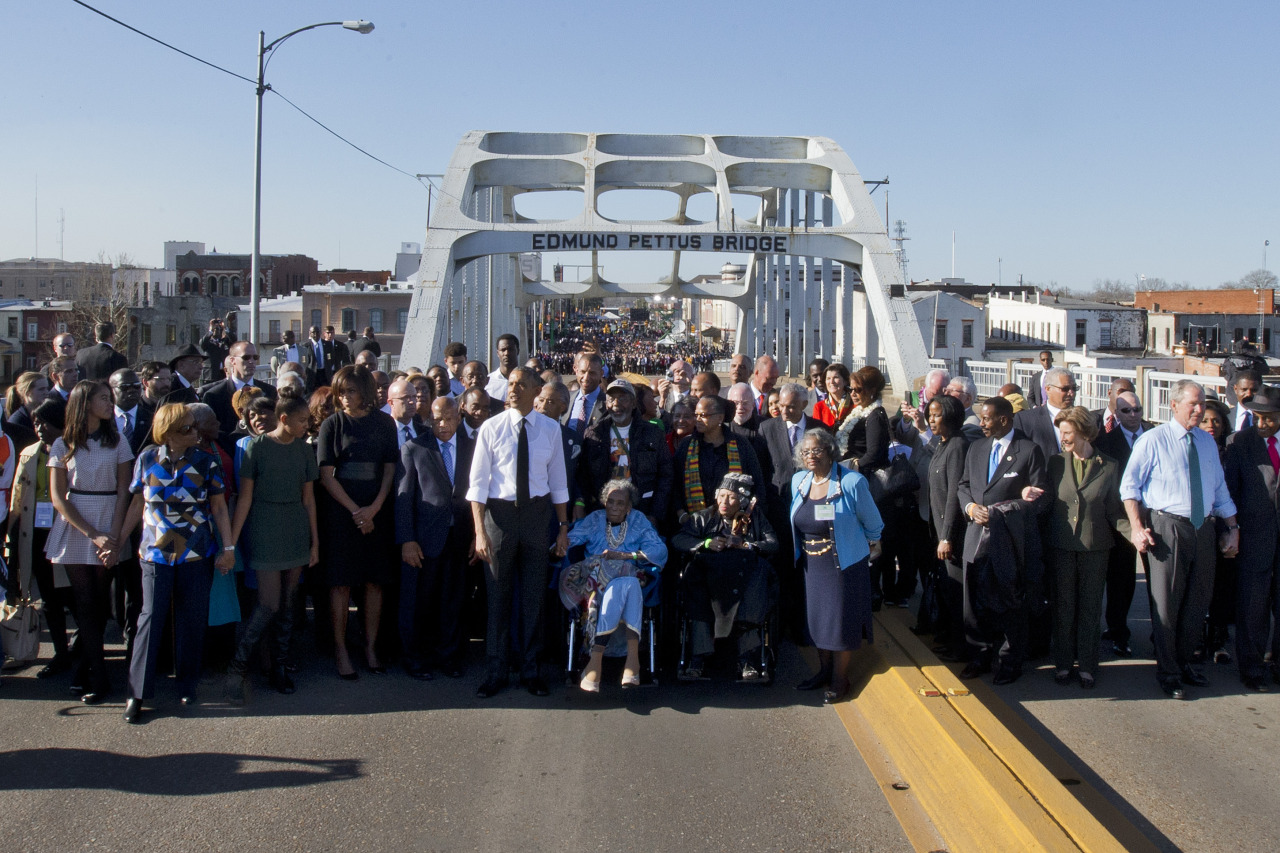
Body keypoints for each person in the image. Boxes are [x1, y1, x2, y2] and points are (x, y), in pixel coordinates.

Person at [1120, 379, 1239, 699]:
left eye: (1202, 404)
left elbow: (1219, 490)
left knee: (1197, 602)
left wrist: (1233, 527)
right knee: (1167, 603)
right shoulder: (1153, 441)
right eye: (1193, 404)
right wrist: (1135, 527)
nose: (1200, 410)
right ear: (1174, 406)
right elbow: (1129, 488)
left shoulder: (1206, 442)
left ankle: (1185, 663)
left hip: (1203, 527)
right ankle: (1169, 672)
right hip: (1167, 527)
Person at [117, 404, 234, 723]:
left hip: (195, 552)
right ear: (167, 433)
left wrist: (228, 547)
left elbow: (219, 508)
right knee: (150, 617)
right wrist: (119, 541)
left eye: (196, 427)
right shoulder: (146, 460)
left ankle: (187, 682)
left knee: (191, 618)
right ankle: (137, 692)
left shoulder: (205, 461)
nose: (196, 433)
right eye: (187, 429)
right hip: (155, 553)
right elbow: (137, 502)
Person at [468, 367, 570, 699]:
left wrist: (563, 528)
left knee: (533, 598)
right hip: (499, 519)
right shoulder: (491, 428)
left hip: (537, 518)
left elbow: (558, 483)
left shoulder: (550, 429)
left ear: (536, 390)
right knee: (497, 598)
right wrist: (480, 534)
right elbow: (478, 486)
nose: (513, 390)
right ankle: (496, 671)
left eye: (521, 385)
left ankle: (531, 670)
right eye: (510, 384)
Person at [225, 389, 320, 701]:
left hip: (295, 528)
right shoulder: (257, 447)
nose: (308, 424)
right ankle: (238, 667)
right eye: (303, 420)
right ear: (284, 419)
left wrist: (314, 541)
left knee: (290, 604)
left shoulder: (305, 451)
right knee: (268, 603)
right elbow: (245, 497)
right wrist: (232, 542)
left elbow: (309, 500)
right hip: (265, 527)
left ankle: (279, 667)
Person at [46, 380, 133, 704]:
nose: (109, 403)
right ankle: (96, 674)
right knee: (84, 605)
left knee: (100, 605)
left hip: (110, 518)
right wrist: (91, 533)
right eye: (102, 398)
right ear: (85, 403)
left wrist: (112, 535)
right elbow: (59, 497)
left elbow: (125, 489)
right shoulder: (63, 444)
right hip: (77, 526)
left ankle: (87, 667)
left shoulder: (118, 441)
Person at [956, 395, 1050, 685]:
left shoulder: (1028, 450)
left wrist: (1012, 506)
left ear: (1004, 420)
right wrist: (970, 508)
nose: (981, 423)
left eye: (986, 418)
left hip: (1009, 541)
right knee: (973, 601)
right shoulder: (977, 447)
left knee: (1009, 601)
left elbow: (1041, 499)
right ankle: (979, 654)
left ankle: (1010, 661)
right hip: (976, 536)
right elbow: (964, 486)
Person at [1036, 406, 1129, 689]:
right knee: (1063, 605)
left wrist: (1135, 534)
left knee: (1090, 607)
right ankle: (1063, 663)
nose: (1062, 437)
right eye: (1061, 431)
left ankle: (1088, 665)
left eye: (1068, 432)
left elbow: (1116, 511)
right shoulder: (1055, 463)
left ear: (1084, 432)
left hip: (1096, 547)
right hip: (1061, 545)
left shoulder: (1110, 466)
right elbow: (1046, 502)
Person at [789, 429, 884, 703]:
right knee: (818, 623)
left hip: (842, 565)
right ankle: (824, 671)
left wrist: (870, 545)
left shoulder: (852, 482)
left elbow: (874, 524)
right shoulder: (799, 481)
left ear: (830, 451)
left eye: (817, 450)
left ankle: (840, 680)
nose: (811, 456)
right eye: (805, 452)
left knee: (841, 624)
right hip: (810, 566)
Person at [317, 366, 399, 680]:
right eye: (341, 392)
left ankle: (371, 646)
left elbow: (389, 469)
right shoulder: (331, 424)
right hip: (341, 514)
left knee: (374, 582)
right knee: (340, 584)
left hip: (377, 511)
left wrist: (374, 508)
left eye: (351, 391)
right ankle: (340, 649)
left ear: (364, 391)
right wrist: (356, 511)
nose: (346, 398)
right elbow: (326, 476)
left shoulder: (385, 423)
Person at [395, 396, 475, 680]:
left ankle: (449, 656)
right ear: (429, 418)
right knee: (421, 601)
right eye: (437, 419)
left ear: (459, 417)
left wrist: (477, 536)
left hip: (460, 536)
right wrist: (407, 540)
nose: (443, 425)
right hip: (424, 539)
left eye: (449, 418)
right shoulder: (415, 448)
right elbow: (404, 499)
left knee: (453, 600)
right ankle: (416, 658)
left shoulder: (472, 447)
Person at [672, 472, 778, 681]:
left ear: (743, 500)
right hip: (709, 577)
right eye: (721, 496)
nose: (723, 502)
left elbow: (773, 543)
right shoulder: (704, 517)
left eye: (731, 497)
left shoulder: (755, 518)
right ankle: (698, 658)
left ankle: (747, 658)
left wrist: (747, 545)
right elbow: (679, 539)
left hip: (744, 575)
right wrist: (705, 544)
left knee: (756, 582)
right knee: (695, 587)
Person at [566, 479, 667, 692]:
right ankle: (633, 662)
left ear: (629, 507)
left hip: (629, 575)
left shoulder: (638, 521)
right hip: (596, 582)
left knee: (627, 581)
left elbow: (660, 551)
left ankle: (595, 662)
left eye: (620, 503)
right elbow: (570, 540)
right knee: (628, 584)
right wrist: (559, 546)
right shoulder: (594, 520)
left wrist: (625, 556)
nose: (614, 506)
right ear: (604, 502)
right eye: (610, 501)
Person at [8, 399, 75, 679]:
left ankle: (84, 649)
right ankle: (61, 653)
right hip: (36, 534)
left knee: (75, 596)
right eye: (35, 422)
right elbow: (17, 496)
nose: (38, 428)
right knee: (48, 597)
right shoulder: (29, 453)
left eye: (44, 423)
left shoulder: (75, 451)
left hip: (68, 531)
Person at [1223, 387, 1280, 691]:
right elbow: (1230, 492)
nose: (1262, 424)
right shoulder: (1240, 443)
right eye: (1258, 417)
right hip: (1254, 538)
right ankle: (1252, 669)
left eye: (1269, 418)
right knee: (1252, 608)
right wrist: (1231, 531)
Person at [1094, 391, 1151, 657]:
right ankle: (1118, 632)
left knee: (1159, 582)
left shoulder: (1154, 436)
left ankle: (1161, 634)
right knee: (1121, 580)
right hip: (1119, 522)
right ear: (1115, 414)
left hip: (1154, 519)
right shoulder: (1105, 442)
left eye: (1137, 409)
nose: (1133, 415)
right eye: (1126, 411)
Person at [578, 379, 671, 522]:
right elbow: (583, 476)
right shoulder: (593, 434)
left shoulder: (653, 433)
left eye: (622, 398)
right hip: (604, 510)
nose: (616, 404)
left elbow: (665, 475)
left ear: (634, 403)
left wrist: (655, 514)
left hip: (641, 510)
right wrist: (584, 505)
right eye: (611, 399)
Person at [925, 394, 970, 661]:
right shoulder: (942, 444)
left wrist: (946, 536)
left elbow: (954, 492)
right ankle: (950, 638)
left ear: (950, 416)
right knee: (946, 590)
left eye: (937, 414)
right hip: (938, 529)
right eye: (930, 414)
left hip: (952, 533)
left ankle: (962, 646)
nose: (931, 419)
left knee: (957, 592)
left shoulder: (957, 446)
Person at [673, 396, 765, 525]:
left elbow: (757, 483)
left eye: (703, 415)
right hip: (693, 523)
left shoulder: (740, 444)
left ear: (720, 418)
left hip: (734, 523)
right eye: (696, 415)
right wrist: (681, 514)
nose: (697, 419)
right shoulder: (687, 445)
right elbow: (674, 483)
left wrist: (747, 516)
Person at [1198, 395, 1236, 663]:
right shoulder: (1193, 449)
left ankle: (1219, 639)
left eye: (1216, 421)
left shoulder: (1234, 452)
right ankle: (1196, 638)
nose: (1210, 425)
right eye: (1204, 421)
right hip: (1199, 528)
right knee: (1198, 586)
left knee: (1223, 587)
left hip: (1226, 527)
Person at [199, 341, 277, 442]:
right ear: (232, 360)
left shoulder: (269, 391)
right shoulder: (214, 395)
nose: (251, 361)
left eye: (255, 357)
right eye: (246, 357)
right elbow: (212, 431)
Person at [1014, 366, 1076, 460]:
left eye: (1074, 388)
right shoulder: (1025, 420)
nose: (1071, 393)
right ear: (1048, 389)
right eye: (1065, 389)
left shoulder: (1086, 419)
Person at [565, 352, 606, 436]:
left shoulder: (607, 404)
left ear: (601, 374)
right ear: (576, 371)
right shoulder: (566, 398)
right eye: (582, 372)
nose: (586, 377)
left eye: (592, 373)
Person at [812, 363, 853, 429]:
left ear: (845, 381)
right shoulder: (819, 407)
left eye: (836, 377)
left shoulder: (855, 405)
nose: (831, 382)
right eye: (828, 378)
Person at [484, 333, 520, 402]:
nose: (506, 353)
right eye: (503, 350)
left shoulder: (526, 380)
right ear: (498, 353)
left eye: (510, 349)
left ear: (518, 351)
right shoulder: (488, 382)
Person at [199, 317, 233, 385]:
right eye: (215, 329)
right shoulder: (208, 343)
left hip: (223, 374)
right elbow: (202, 342)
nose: (217, 331)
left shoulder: (225, 342)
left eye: (219, 329)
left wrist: (225, 328)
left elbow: (234, 341)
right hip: (210, 375)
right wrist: (211, 330)